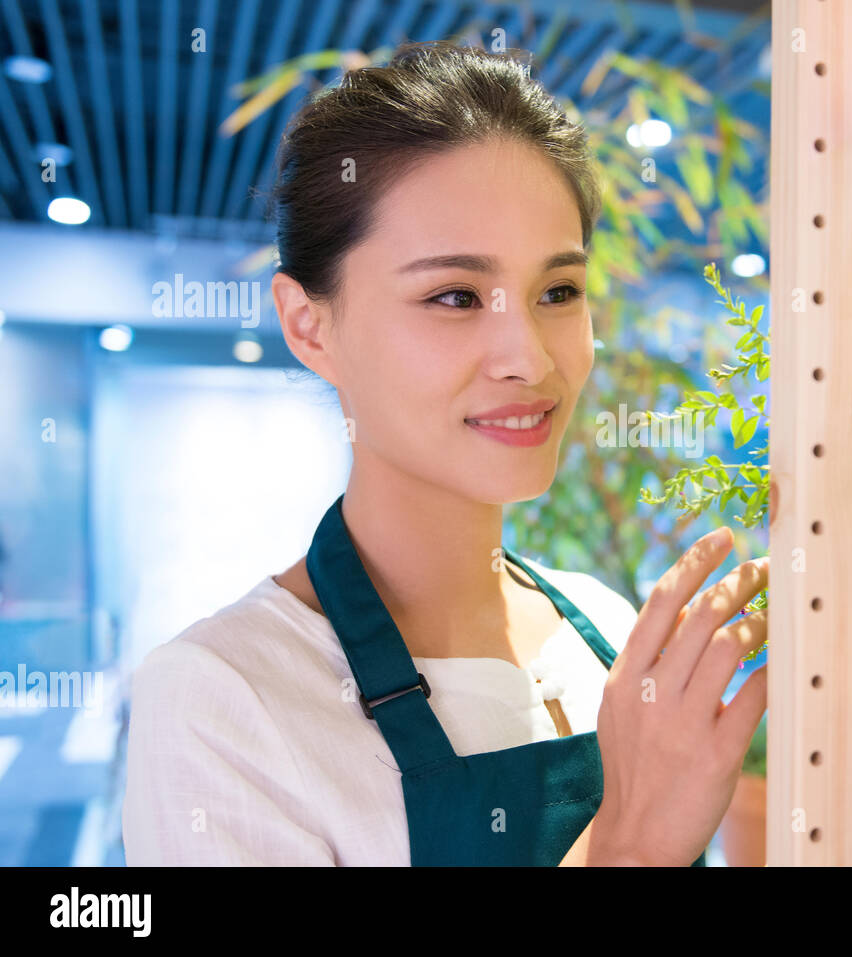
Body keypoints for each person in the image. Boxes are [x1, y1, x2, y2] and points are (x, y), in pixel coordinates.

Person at [121, 40, 767, 866]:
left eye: (558, 292)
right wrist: (629, 844)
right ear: (309, 325)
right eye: (454, 296)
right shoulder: (222, 696)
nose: (529, 358)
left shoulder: (605, 626)